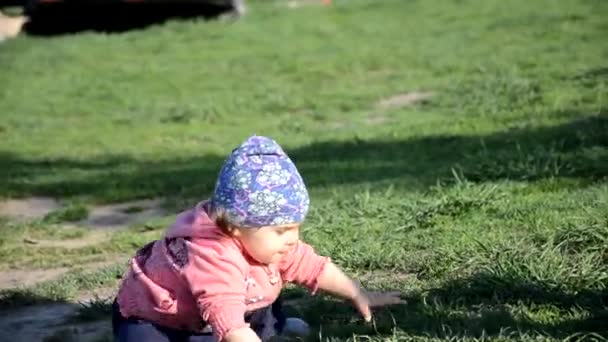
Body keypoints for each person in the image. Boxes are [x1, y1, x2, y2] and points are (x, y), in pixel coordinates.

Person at [112, 135, 402, 342]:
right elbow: (226, 315)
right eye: (280, 230)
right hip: (161, 320)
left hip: (230, 305)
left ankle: (275, 323)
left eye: (295, 227)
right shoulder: (212, 255)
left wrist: (356, 292)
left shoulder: (269, 242)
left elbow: (313, 266)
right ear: (237, 226)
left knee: (260, 297)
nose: (292, 239)